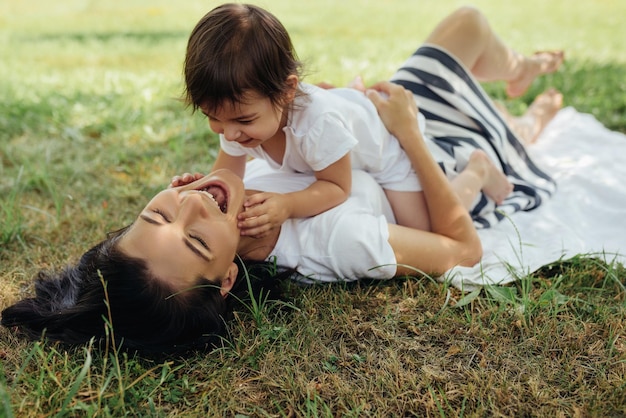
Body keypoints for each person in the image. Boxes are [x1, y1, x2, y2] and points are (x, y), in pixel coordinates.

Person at [1, 6, 564, 353]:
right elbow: (463, 250)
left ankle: (524, 78)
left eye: (158, 212)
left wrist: (342, 113)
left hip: (368, 125)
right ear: (225, 281)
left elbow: (277, 147)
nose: (191, 205)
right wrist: (410, 132)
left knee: (467, 27)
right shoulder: (340, 242)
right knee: (470, 31)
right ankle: (507, 129)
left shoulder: (245, 156)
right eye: (195, 239)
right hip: (421, 153)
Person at [184, 3, 561, 235]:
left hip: (392, 149)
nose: (228, 133)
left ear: (286, 91)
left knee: (426, 227)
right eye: (212, 118)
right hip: (359, 113)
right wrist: (195, 191)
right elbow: (228, 177)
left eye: (242, 121)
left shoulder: (316, 124)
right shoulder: (235, 116)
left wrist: (288, 206)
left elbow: (335, 188)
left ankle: (477, 170)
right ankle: (519, 94)